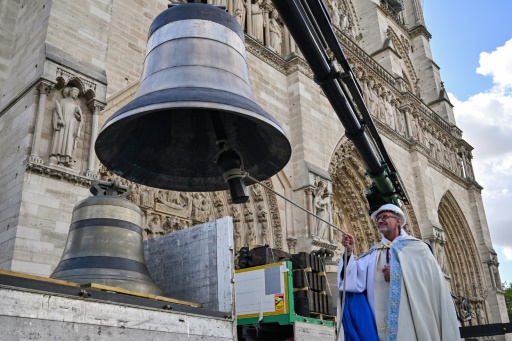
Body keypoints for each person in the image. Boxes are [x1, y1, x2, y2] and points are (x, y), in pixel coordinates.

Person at [338, 203, 460, 340]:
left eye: (384, 217)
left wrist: (398, 274)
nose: (379, 221)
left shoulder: (418, 248)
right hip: (378, 322)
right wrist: (349, 252)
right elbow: (353, 280)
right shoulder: (373, 253)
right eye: (377, 219)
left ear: (398, 221)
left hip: (413, 316)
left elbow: (430, 283)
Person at [50, 86, 82, 167]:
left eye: (77, 94)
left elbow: (79, 119)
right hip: (63, 127)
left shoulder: (76, 106)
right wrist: (59, 120)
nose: (76, 95)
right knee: (61, 141)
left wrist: (78, 116)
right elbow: (57, 112)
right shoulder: (63, 102)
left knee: (69, 142)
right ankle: (59, 158)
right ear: (70, 92)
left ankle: (68, 159)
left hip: (71, 127)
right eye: (74, 92)